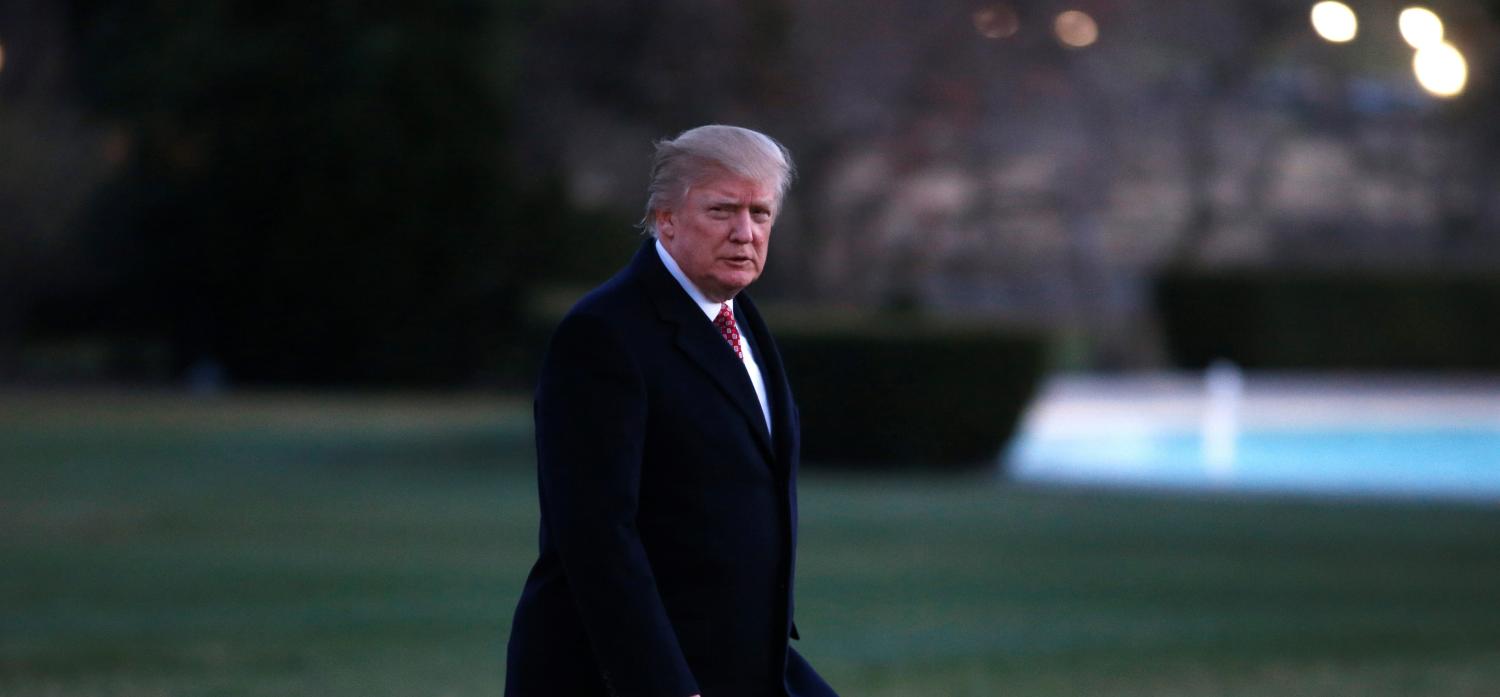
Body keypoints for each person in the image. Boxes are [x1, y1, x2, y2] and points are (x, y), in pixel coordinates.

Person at [505, 125, 838, 697]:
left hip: (744, 660)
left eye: (760, 213)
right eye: (722, 210)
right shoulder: (605, 334)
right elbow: (597, 536)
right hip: (626, 674)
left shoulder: (740, 316)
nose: (745, 232)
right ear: (666, 219)